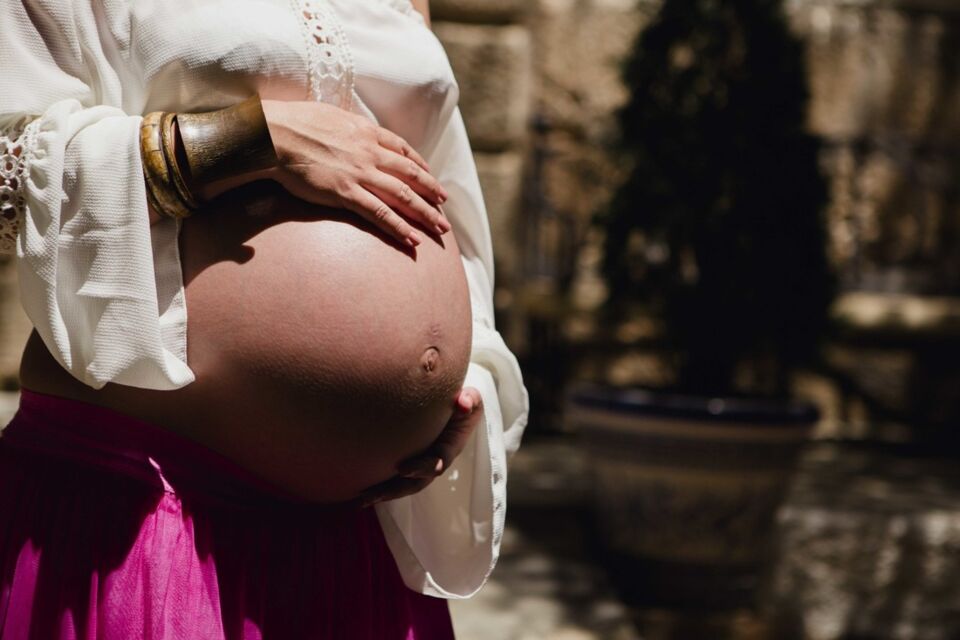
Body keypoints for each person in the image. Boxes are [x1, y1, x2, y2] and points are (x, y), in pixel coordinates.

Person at [0, 0, 528, 637]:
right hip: (144, 513)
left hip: (353, 542)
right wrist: (255, 140)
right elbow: (8, 167)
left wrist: (462, 372)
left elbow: (438, 172)